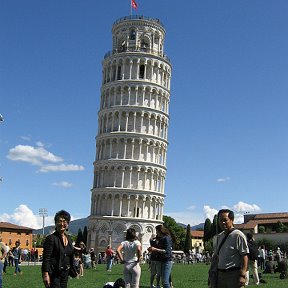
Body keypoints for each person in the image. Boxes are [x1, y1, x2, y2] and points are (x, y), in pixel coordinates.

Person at [213, 209, 249, 288]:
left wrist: (242, 275)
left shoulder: (238, 235)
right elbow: (217, 256)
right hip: (220, 275)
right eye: (220, 220)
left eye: (225, 220)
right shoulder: (219, 237)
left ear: (232, 220)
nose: (222, 223)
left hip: (234, 274)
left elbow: (244, 256)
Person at [42, 210, 75, 288]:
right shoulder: (51, 238)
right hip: (54, 273)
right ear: (56, 223)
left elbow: (70, 255)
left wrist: (73, 270)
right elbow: (46, 258)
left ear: (68, 224)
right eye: (59, 221)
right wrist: (45, 274)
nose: (62, 224)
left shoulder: (69, 239)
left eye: (65, 221)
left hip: (65, 273)